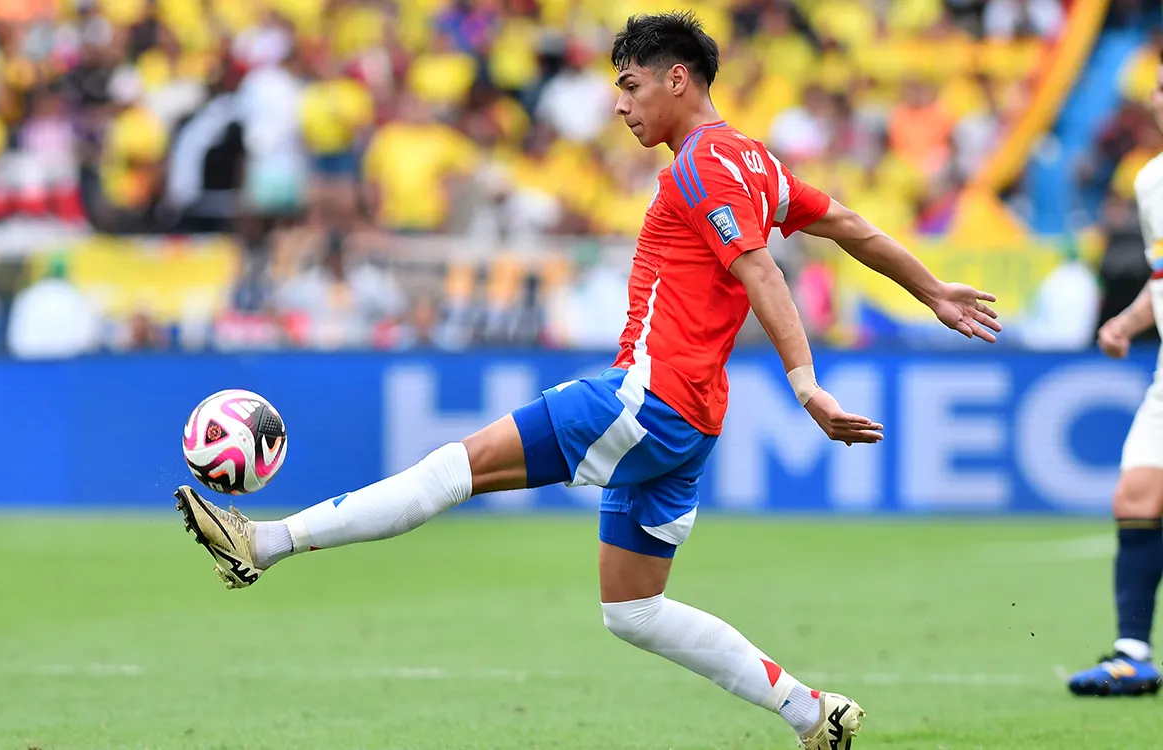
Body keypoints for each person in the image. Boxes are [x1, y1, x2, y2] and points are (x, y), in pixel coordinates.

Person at [174, 13, 1000, 749]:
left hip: (648, 396)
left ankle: (267, 542)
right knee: (633, 609)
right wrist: (932, 291)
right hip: (690, 423)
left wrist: (805, 382)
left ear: (680, 79)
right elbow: (848, 225)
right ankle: (814, 715)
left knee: (454, 467)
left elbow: (760, 271)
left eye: (632, 84)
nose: (620, 103)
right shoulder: (757, 163)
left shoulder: (706, 165)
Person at [1067, 51, 1163, 698]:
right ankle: (1133, 654)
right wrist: (1128, 324)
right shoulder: (1152, 181)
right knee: (1136, 496)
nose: (1159, 99)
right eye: (1158, 88)